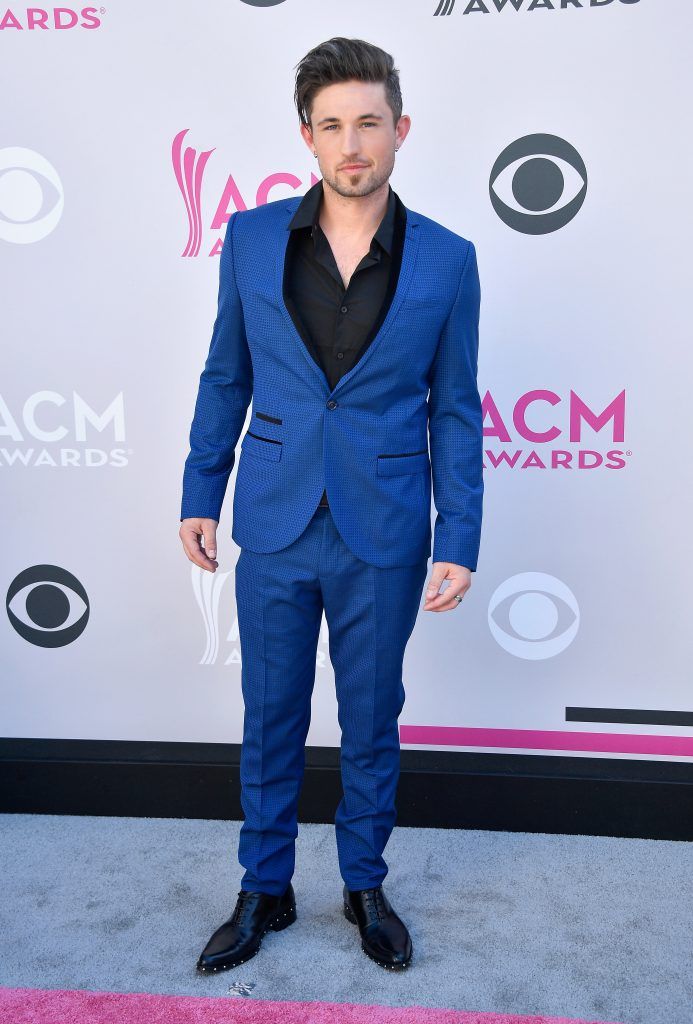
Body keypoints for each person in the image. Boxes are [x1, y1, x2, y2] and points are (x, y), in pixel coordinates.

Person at [179, 36, 483, 973]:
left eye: (368, 123)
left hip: (383, 525)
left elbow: (454, 406)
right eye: (332, 126)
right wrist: (200, 488)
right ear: (307, 137)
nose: (352, 143)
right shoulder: (255, 238)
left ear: (400, 129)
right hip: (272, 514)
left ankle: (363, 884)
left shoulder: (448, 259)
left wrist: (458, 533)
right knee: (268, 715)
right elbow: (226, 374)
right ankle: (262, 888)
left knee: (370, 716)